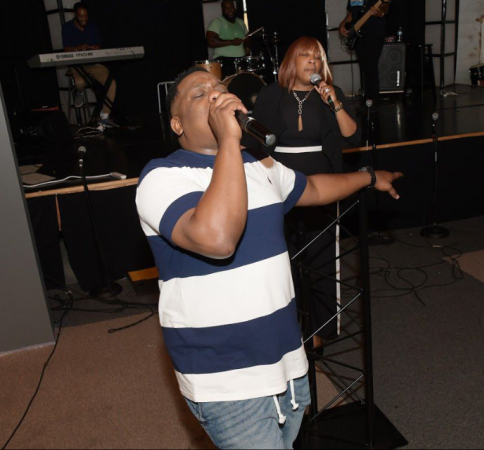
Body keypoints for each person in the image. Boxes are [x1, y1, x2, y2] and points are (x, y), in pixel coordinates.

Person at [136, 66, 402, 449]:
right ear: (176, 124)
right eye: (200, 94)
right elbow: (217, 239)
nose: (215, 96)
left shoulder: (258, 164)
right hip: (225, 378)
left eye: (219, 89)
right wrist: (229, 141)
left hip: (286, 362)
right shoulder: (162, 177)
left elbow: (309, 186)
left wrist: (369, 178)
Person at [246, 36, 361, 350]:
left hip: (322, 184)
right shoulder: (271, 95)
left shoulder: (331, 95)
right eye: (305, 56)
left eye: (317, 58)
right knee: (282, 260)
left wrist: (334, 103)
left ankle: (318, 330)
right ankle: (287, 328)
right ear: (290, 62)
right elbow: (255, 143)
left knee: (321, 257)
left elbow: (352, 138)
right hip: (278, 184)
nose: (313, 62)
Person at [62, 2, 117, 127]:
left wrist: (94, 48)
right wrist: (77, 48)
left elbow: (99, 45)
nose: (84, 19)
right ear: (75, 15)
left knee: (111, 83)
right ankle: (80, 92)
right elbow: (66, 49)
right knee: (80, 83)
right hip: (78, 65)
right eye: (81, 16)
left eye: (86, 16)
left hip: (94, 64)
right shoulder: (67, 28)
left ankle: (104, 116)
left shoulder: (92, 27)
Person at [340, 0, 391, 110]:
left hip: (374, 33)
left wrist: (380, 12)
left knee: (370, 65)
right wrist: (343, 23)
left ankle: (372, 100)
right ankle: (368, 99)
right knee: (364, 65)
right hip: (358, 34)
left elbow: (385, 5)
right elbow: (351, 13)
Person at [206, 0, 251, 77]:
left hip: (241, 60)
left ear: (235, 8)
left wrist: (246, 46)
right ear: (222, 10)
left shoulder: (241, 22)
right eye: (226, 8)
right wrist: (232, 42)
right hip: (225, 61)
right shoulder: (217, 22)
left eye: (231, 7)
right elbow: (210, 41)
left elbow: (246, 37)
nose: (229, 10)